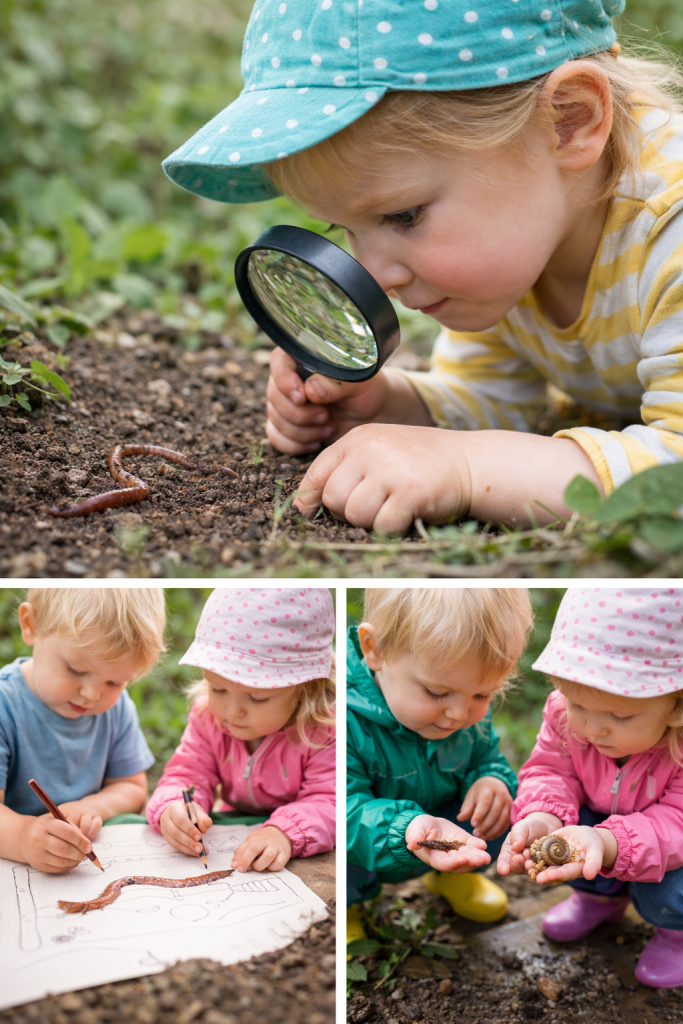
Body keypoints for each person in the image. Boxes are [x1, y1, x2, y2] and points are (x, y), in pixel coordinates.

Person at [160, 0, 683, 534]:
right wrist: (387, 405)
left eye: (403, 216)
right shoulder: (519, 244)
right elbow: (495, 403)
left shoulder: (673, 229)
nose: (379, 276)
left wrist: (464, 467)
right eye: (344, 230)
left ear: (570, 121)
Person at [498, 587, 683, 989]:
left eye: (619, 715)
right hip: (604, 824)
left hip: (672, 846)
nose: (592, 728)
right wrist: (544, 814)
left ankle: (675, 934)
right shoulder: (566, 716)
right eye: (579, 705)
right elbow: (550, 769)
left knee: (673, 889)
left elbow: (677, 822)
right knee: (565, 832)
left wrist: (609, 841)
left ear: (676, 704)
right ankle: (598, 900)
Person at [346, 587, 531, 946]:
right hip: (376, 843)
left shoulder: (463, 714)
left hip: (444, 833)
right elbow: (349, 810)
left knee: (494, 811)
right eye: (436, 693)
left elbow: (485, 758)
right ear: (375, 649)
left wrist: (491, 780)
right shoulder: (346, 720)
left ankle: (455, 875)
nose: (459, 714)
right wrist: (405, 826)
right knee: (340, 842)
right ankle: (352, 905)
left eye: (482, 695)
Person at [147, 587, 335, 873]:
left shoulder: (324, 731)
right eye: (218, 689)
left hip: (297, 846)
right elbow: (187, 774)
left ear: (306, 688)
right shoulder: (207, 719)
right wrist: (175, 808)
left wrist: (284, 832)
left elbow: (330, 800)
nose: (233, 711)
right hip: (233, 832)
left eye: (257, 697)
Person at [0, 588, 164, 873]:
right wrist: (24, 838)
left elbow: (133, 787)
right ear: (31, 626)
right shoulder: (6, 704)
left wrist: (95, 807)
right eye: (75, 670)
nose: (91, 694)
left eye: (114, 682)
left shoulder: (117, 708)